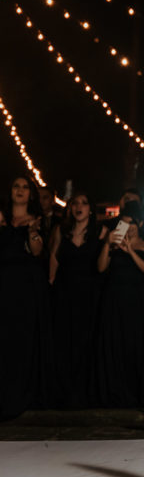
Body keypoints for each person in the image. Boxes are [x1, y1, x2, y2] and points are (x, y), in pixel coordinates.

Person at [0, 177, 53, 419]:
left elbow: (37, 252)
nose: (20, 190)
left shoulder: (35, 221)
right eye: (16, 186)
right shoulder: (1, 218)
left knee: (20, 338)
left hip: (24, 287)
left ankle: (20, 394)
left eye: (24, 187)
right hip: (3, 283)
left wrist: (32, 233)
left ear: (30, 194)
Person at [95, 202, 144, 407]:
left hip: (137, 301)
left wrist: (130, 250)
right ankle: (115, 393)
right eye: (125, 223)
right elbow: (101, 268)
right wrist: (107, 244)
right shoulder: (113, 245)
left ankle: (137, 392)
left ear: (139, 225)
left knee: (135, 345)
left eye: (133, 224)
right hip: (114, 299)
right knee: (115, 344)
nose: (129, 227)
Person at [48, 192, 104, 408]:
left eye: (84, 202)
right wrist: (51, 281)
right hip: (64, 290)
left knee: (85, 340)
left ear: (91, 208)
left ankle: (85, 392)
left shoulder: (101, 231)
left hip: (89, 292)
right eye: (75, 203)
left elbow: (103, 264)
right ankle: (64, 391)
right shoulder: (61, 230)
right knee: (64, 339)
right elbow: (54, 256)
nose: (79, 206)